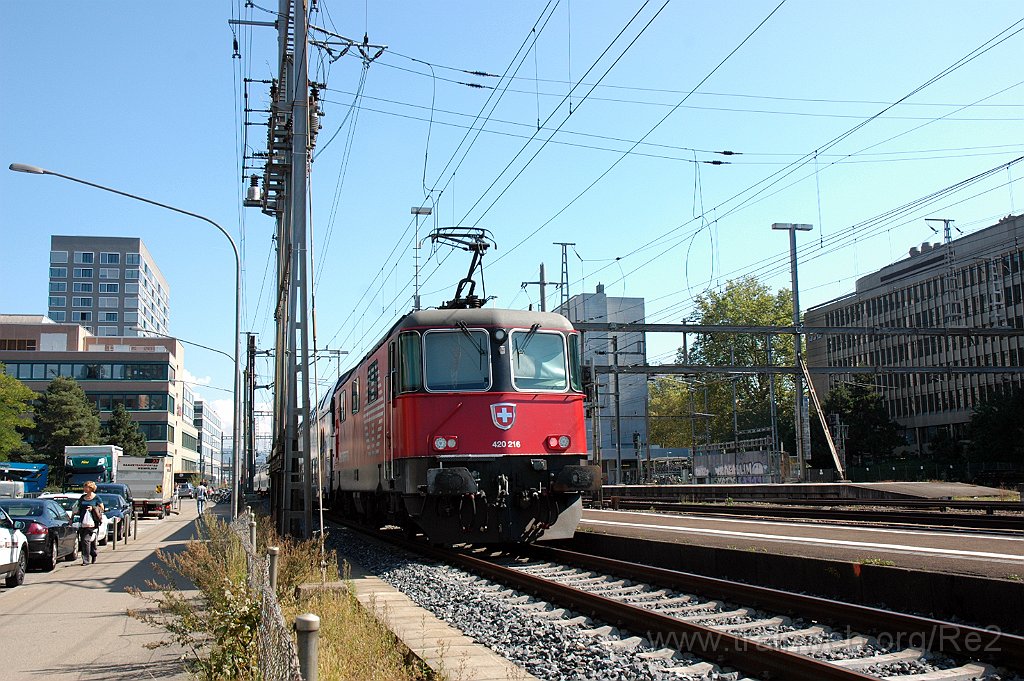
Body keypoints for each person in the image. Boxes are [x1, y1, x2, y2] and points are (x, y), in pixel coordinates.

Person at [76, 481, 105, 565]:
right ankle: (94, 553)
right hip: (82, 522)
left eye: (86, 487)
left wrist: (93, 508)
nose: (84, 489)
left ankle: (86, 560)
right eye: (84, 487)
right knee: (88, 541)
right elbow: (78, 507)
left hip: (92, 523)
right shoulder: (82, 497)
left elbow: (102, 508)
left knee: (86, 540)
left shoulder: (96, 498)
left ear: (91, 488)